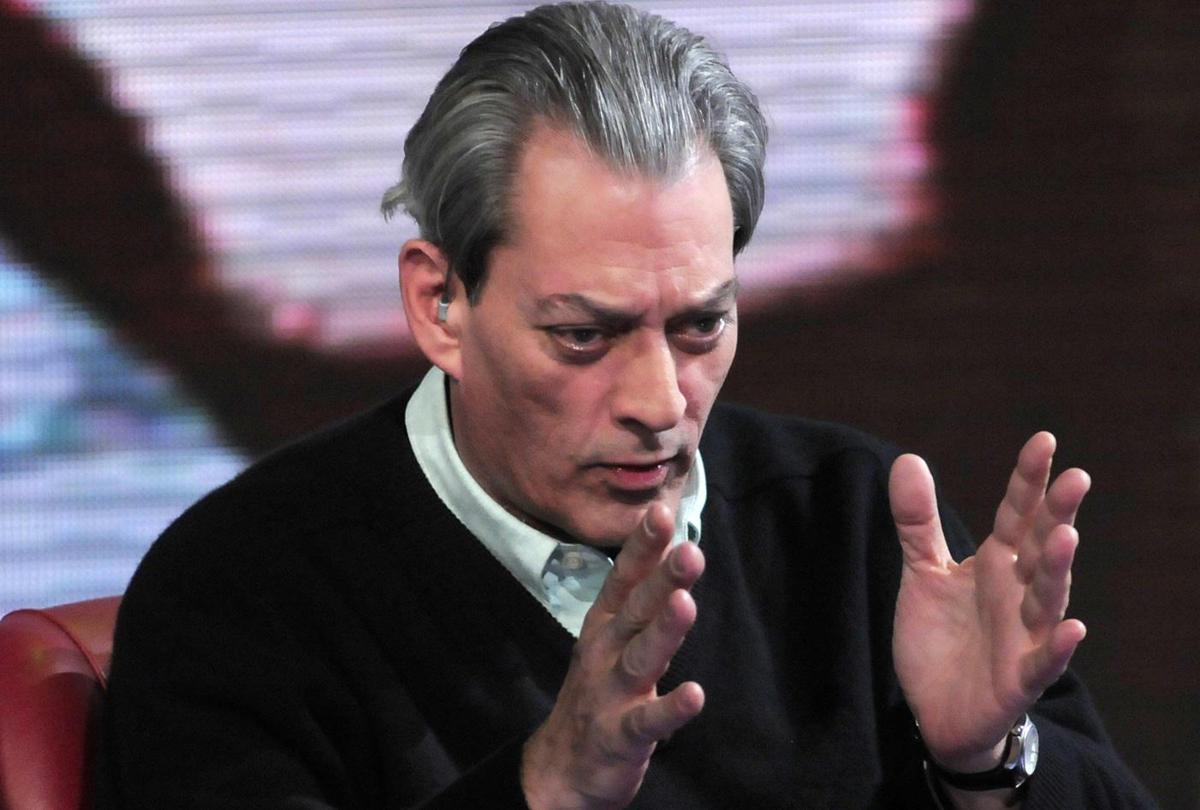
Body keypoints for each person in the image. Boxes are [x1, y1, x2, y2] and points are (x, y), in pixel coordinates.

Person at [95, 3, 1155, 808]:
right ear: (440, 304)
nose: (660, 402)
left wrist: (985, 760)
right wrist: (544, 788)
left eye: (700, 326)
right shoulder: (240, 591)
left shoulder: (855, 521)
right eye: (583, 336)